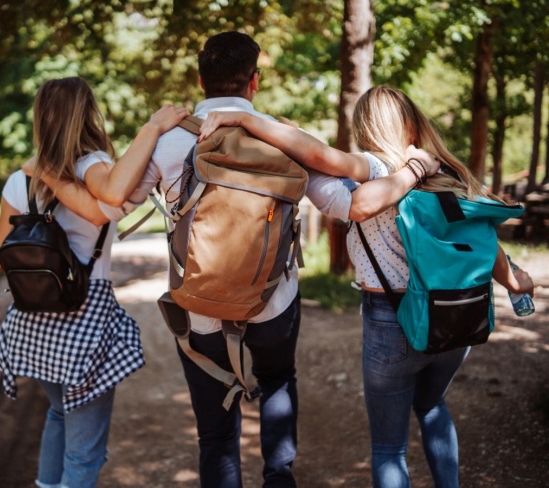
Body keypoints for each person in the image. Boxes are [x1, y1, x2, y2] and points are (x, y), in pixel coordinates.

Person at [34, 34, 440, 487]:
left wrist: (51, 170)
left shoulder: (169, 141)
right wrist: (409, 170)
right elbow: (346, 206)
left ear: (200, 80)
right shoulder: (286, 137)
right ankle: (278, 474)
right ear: (255, 81)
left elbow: (110, 207)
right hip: (274, 300)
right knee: (279, 380)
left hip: (197, 307)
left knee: (215, 435)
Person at [197, 84, 536, 488]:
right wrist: (514, 278)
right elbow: (480, 237)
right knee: (431, 405)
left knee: (389, 449)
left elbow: (320, 155)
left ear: (365, 127)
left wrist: (248, 119)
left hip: (390, 322)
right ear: (411, 121)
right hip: (455, 315)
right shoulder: (447, 172)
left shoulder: (377, 167)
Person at [0, 77, 189, 488]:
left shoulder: (22, 180)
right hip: (85, 318)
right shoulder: (91, 165)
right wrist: (152, 127)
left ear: (40, 119)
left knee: (60, 412)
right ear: (87, 115)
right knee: (83, 454)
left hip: (35, 320)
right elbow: (112, 196)